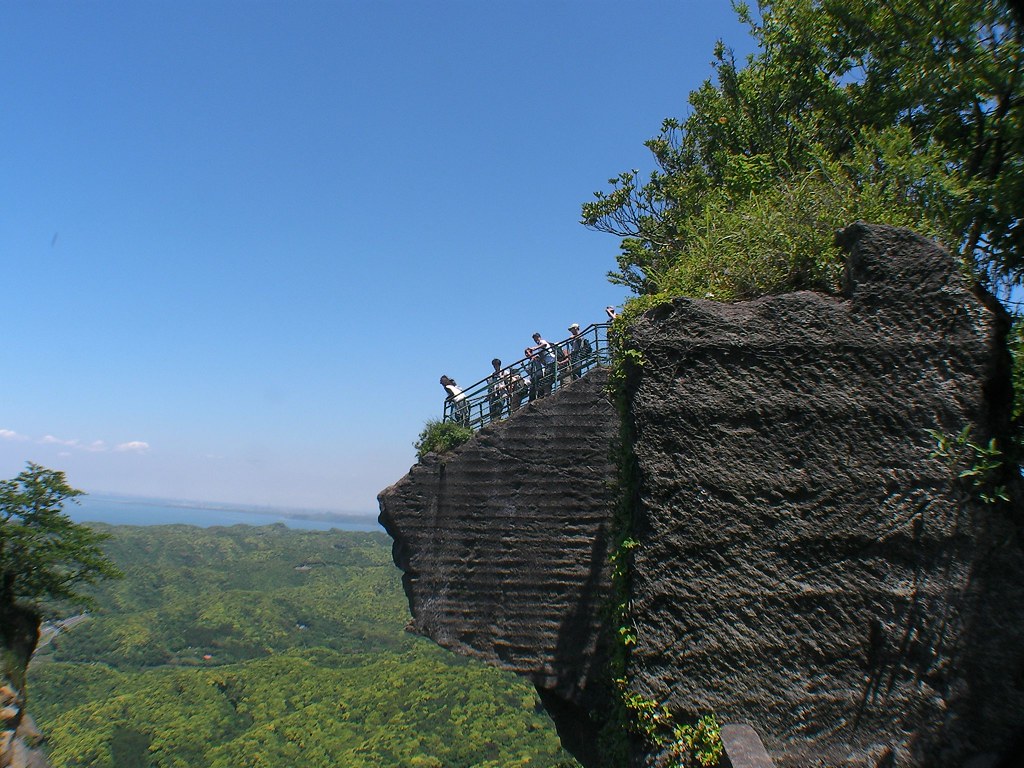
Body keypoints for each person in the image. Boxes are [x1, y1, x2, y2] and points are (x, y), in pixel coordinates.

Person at [528, 333, 556, 398]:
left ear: (539, 337)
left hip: (551, 361)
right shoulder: (539, 346)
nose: (536, 339)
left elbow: (544, 344)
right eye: (534, 338)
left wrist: (535, 348)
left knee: (547, 377)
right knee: (547, 378)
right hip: (548, 363)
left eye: (536, 337)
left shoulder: (542, 341)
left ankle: (548, 394)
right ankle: (548, 393)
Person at [487, 358, 506, 423]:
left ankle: (496, 423)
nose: (495, 366)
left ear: (499, 365)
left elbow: (510, 381)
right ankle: (493, 423)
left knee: (498, 409)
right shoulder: (491, 375)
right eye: (494, 365)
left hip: (502, 394)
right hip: (493, 395)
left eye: (496, 365)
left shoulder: (505, 372)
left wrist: (504, 386)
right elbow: (489, 385)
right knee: (492, 411)